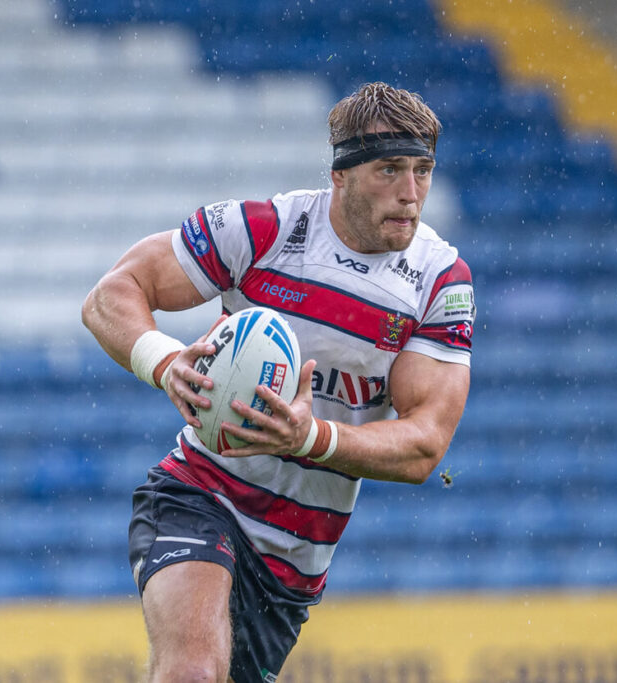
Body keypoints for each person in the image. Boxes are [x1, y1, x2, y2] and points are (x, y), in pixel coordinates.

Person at [81, 81, 475, 683]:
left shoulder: (438, 281)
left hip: (295, 559)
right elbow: (111, 295)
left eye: (422, 171)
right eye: (389, 170)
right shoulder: (262, 230)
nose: (411, 193)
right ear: (340, 174)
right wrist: (164, 362)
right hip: (201, 493)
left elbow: (425, 445)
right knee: (192, 673)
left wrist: (309, 439)